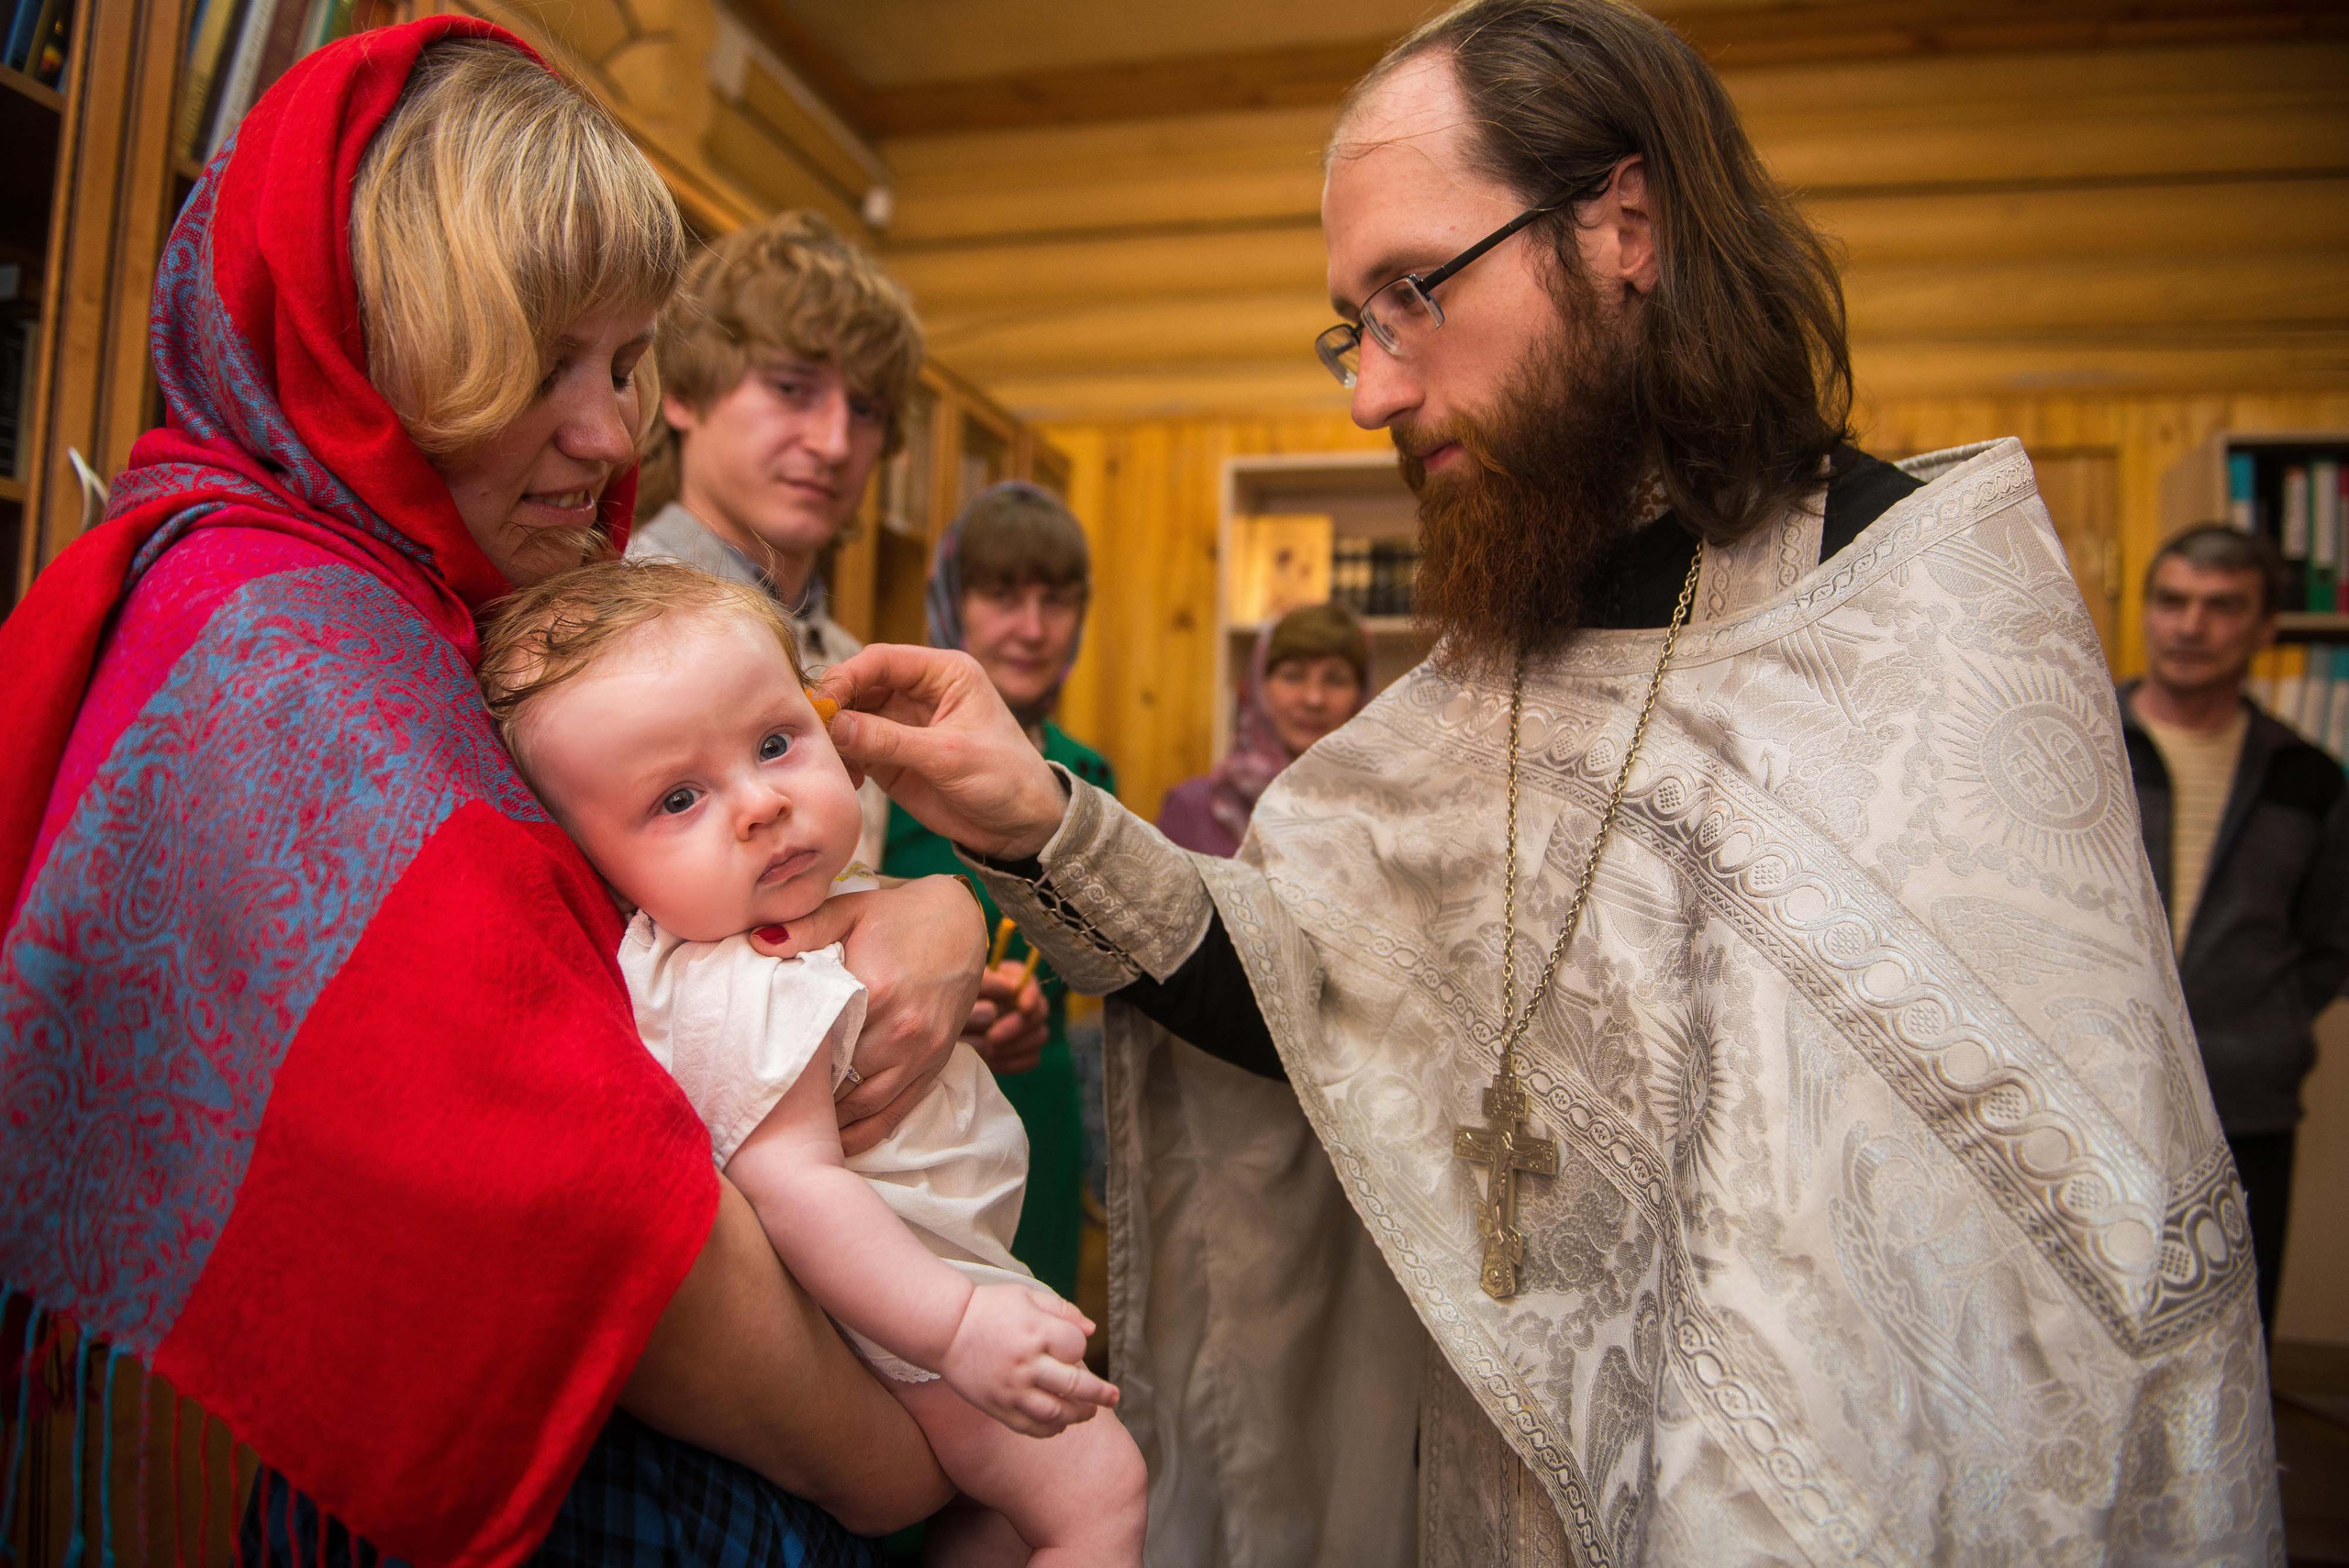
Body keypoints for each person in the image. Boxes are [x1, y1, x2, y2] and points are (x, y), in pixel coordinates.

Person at [807, 1, 2281, 1561]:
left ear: (1622, 226)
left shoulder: (1923, 608)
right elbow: (1315, 1000)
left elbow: (2074, 1260)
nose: (1368, 390)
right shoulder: (1490, 674)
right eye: (1348, 324)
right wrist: (1032, 813)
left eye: (1411, 296)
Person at [0, 23, 983, 1563]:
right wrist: (912, 1476)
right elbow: (596, 1221)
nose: (603, 437)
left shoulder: (418, 606)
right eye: (539, 365)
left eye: (623, 362)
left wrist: (927, 908)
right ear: (367, 340)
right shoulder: (303, 648)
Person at [477, 560, 1147, 1566]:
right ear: (591, 862)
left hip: (907, 1287)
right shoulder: (743, 980)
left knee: (998, 1519)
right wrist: (958, 1327)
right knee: (1101, 1489)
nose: (758, 804)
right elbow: (796, 1186)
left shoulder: (762, 929)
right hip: (894, 1309)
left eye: (776, 742)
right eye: (676, 798)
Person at [629, 208, 924, 868]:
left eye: (867, 409)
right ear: (681, 393)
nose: (834, 442)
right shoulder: (609, 629)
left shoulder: (850, 662)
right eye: (793, 389)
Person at [883, 483, 1113, 1301]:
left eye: (1056, 600)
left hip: (1037, 1103)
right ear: (951, 601)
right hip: (905, 1115)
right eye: (1002, 594)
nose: (1032, 627)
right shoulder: (892, 764)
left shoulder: (1089, 776)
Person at [2121, 524, 2349, 1337]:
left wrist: (2262, 1020)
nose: (2190, 626)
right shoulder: (2081, 741)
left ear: (2264, 629)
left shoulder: (2308, 778)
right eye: (2172, 601)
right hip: (2098, 1097)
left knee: (2234, 1333)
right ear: (2147, 613)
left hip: (2245, 1110)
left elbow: (2329, 942)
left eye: (2223, 608)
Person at [1159, 602, 1368, 857]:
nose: (1314, 698)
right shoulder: (1193, 810)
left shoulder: (1386, 814)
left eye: (1335, 680)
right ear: (1259, 688)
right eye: (1293, 676)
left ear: (1361, 697)